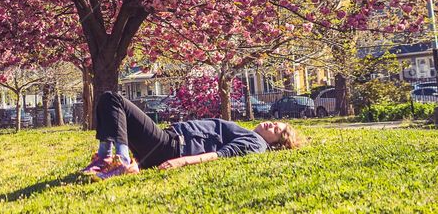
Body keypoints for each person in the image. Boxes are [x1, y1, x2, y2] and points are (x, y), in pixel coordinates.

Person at [80, 91, 304, 180]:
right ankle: (110, 161)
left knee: (112, 99)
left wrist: (181, 162)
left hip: (171, 146)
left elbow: (221, 155)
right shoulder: (249, 133)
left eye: (277, 130)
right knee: (107, 104)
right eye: (275, 123)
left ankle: (115, 159)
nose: (272, 125)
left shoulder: (256, 143)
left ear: (277, 144)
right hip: (164, 145)